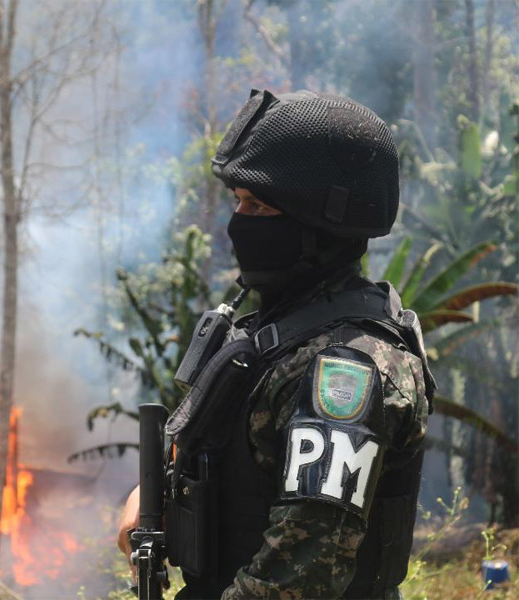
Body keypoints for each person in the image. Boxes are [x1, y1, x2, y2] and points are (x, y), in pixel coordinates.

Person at [118, 89, 436, 599]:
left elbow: (299, 575)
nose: (238, 222)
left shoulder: (343, 371)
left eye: (258, 205)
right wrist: (151, 492)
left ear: (317, 224)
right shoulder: (278, 335)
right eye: (239, 201)